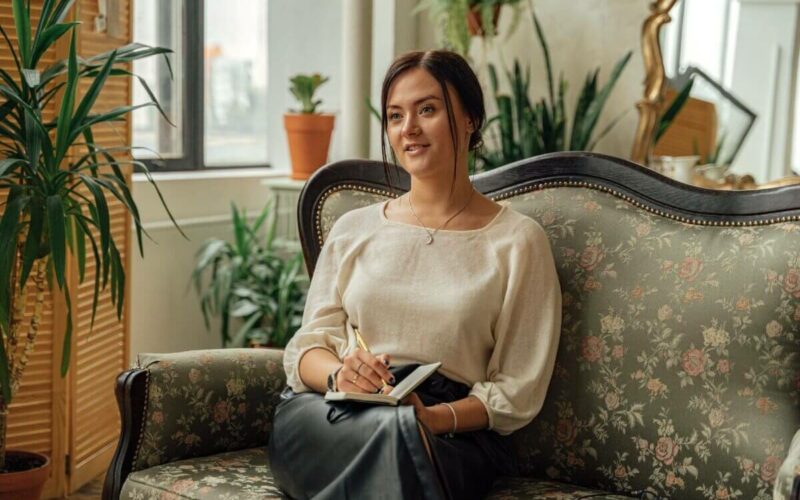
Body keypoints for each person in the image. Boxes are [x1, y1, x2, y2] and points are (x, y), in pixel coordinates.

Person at [268, 50, 562, 500]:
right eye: (394, 115)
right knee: (352, 435)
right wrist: (338, 376)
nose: (409, 129)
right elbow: (308, 347)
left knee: (399, 444)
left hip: (445, 431)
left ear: (469, 119)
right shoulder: (353, 230)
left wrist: (430, 418)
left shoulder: (518, 241)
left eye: (428, 109)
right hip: (338, 412)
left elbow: (517, 388)